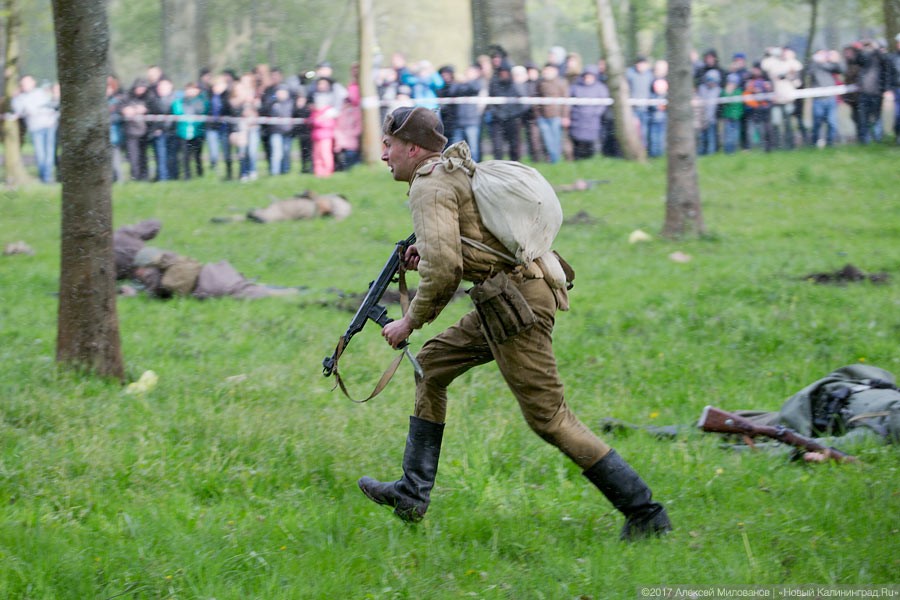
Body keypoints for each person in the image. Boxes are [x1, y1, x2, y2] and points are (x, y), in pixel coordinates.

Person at [357, 106, 673, 541]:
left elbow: (445, 271)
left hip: (516, 305)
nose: (384, 156)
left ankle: (646, 514)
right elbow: (470, 244)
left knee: (550, 419)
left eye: (389, 146)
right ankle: (412, 493)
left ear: (413, 148)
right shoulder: (450, 172)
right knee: (430, 367)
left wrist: (409, 322)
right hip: (505, 297)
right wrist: (426, 256)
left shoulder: (430, 185)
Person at [11, 75, 59, 184]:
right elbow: (19, 110)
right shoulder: (21, 97)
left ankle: (48, 177)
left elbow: (51, 105)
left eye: (28, 82)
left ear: (33, 82)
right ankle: (44, 177)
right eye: (24, 83)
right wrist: (15, 97)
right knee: (40, 153)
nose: (26, 85)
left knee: (49, 153)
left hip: (49, 125)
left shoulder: (41, 93)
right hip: (35, 127)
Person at [807, 49, 844, 147]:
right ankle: (814, 143)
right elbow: (809, 72)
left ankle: (830, 143)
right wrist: (815, 61)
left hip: (831, 98)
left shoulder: (829, 66)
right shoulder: (814, 65)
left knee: (832, 122)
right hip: (818, 99)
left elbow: (840, 70)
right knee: (817, 122)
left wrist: (835, 59)